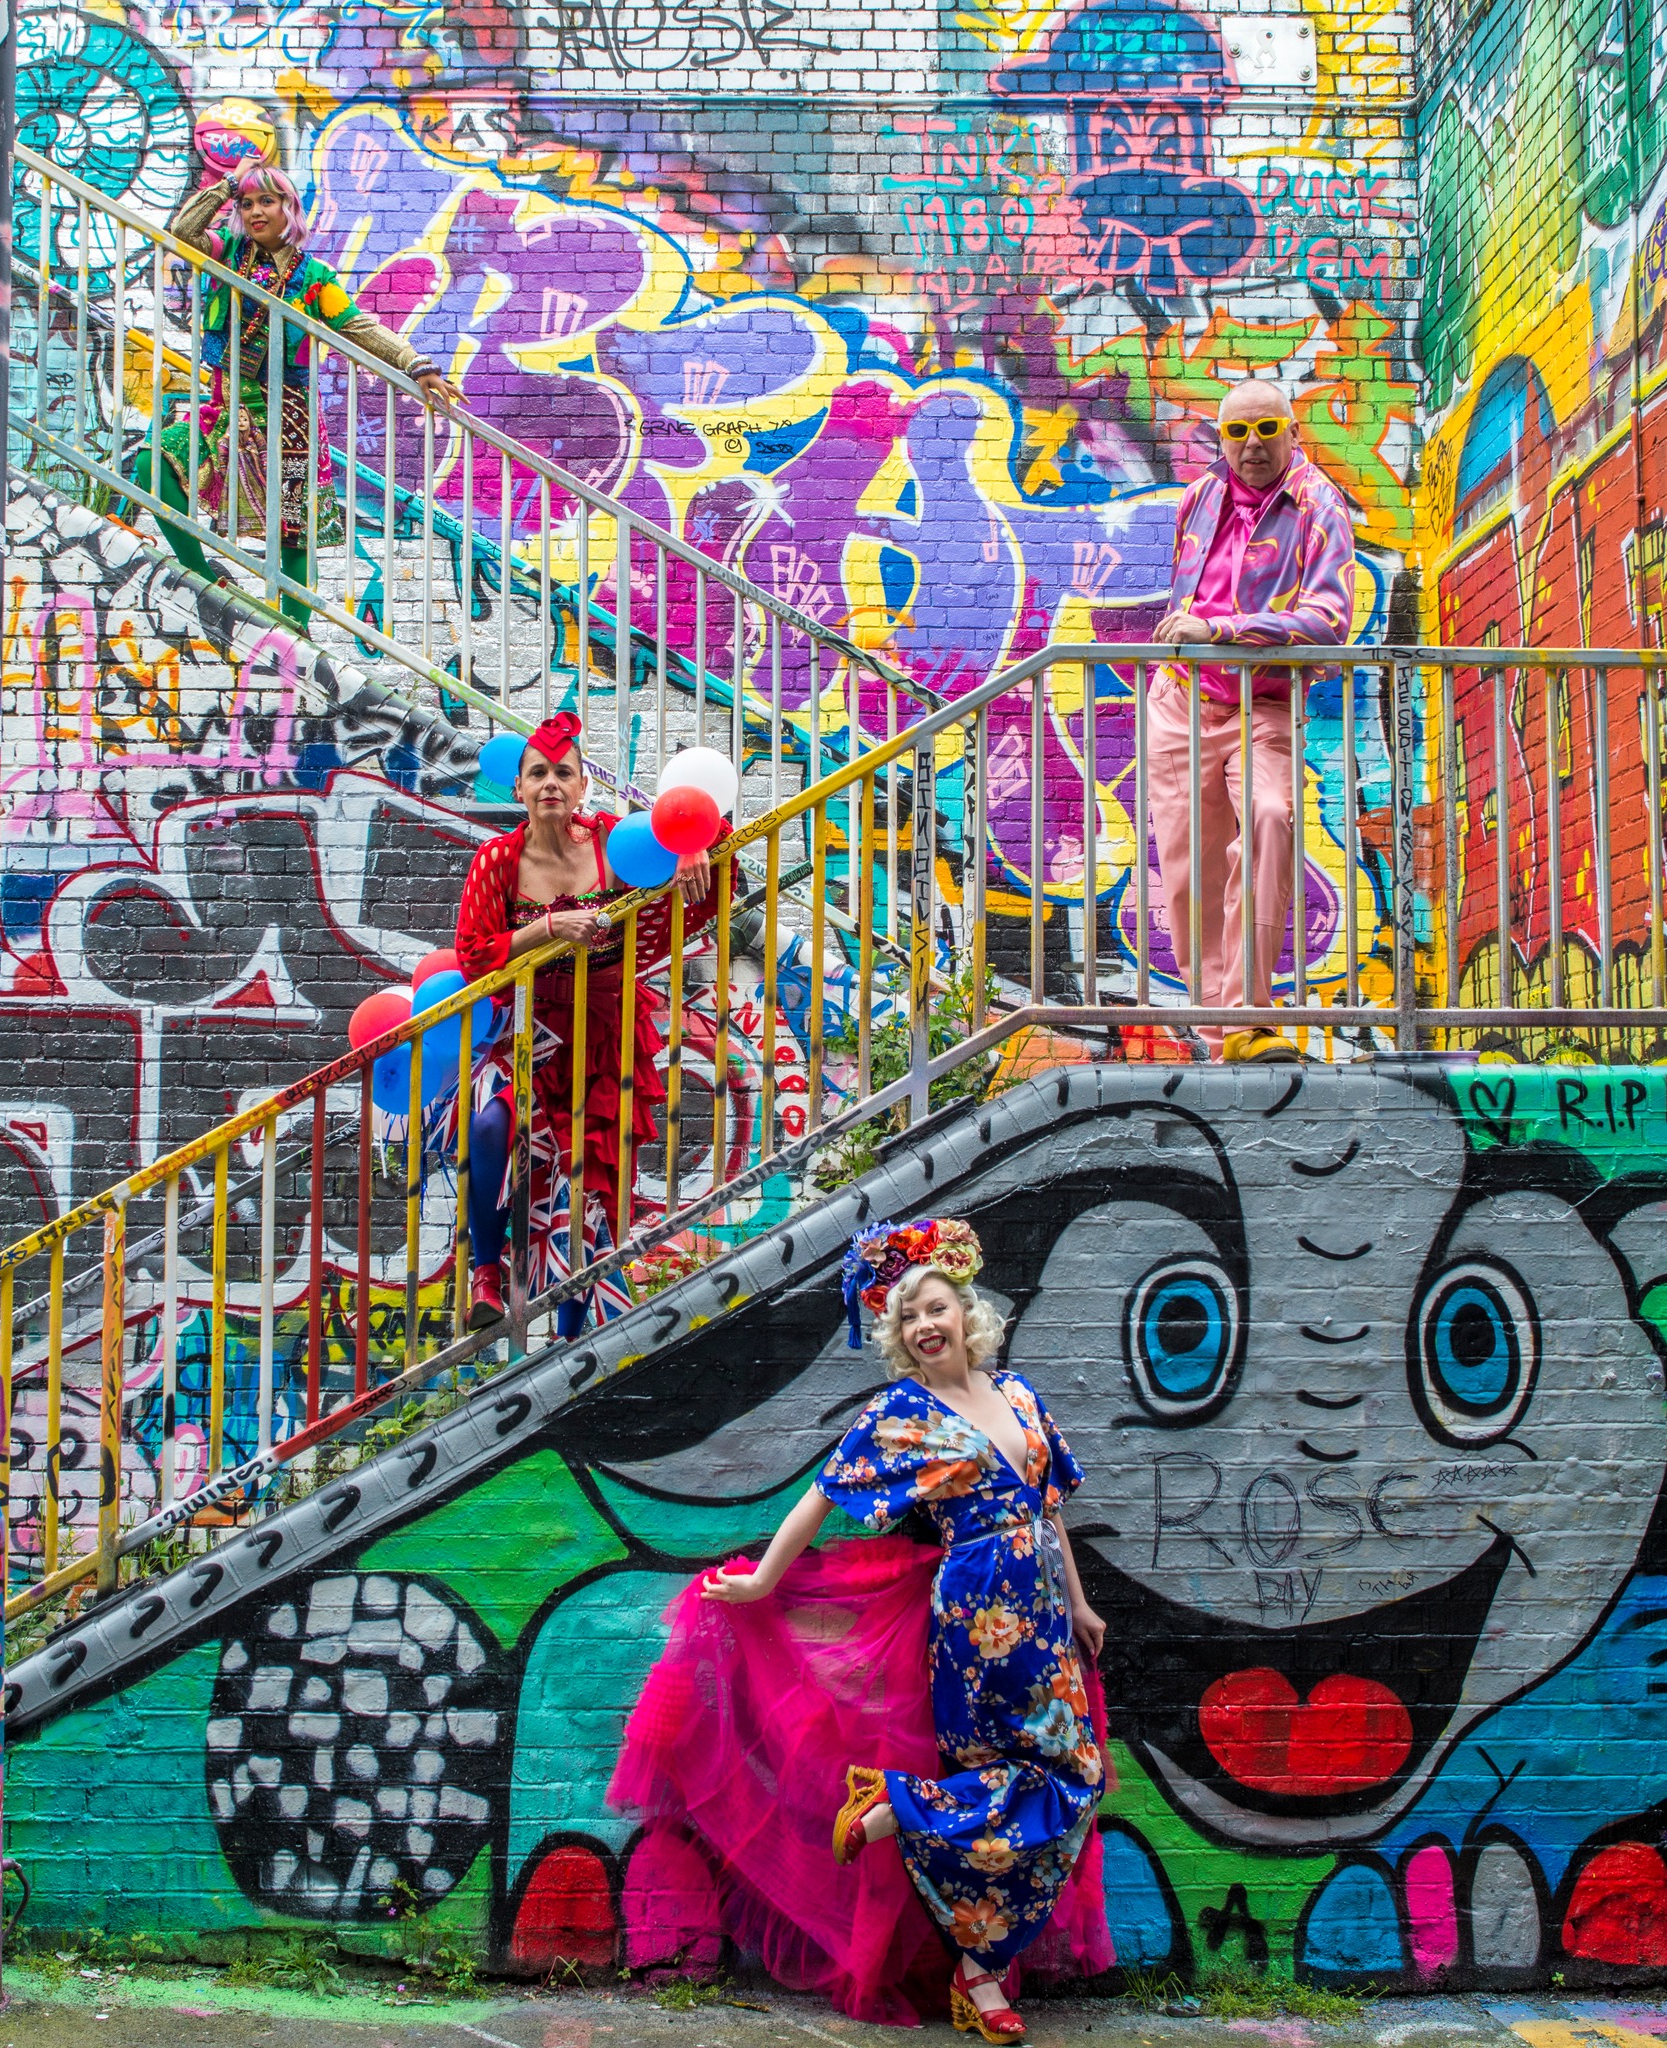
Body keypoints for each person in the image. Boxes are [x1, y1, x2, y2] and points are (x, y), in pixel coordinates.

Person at [610, 1218, 1111, 2040]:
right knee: (1012, 1771)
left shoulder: (1019, 1397)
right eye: (910, 1317)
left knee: (1074, 1780)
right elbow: (825, 1491)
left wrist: (1081, 1603)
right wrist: (768, 1577)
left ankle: (901, 1817)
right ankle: (980, 1981)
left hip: (1046, 1612)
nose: (926, 1325)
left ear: (967, 1313)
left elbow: (1047, 1506)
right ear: (899, 1335)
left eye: (938, 1307)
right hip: (977, 1616)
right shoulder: (902, 1413)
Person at [452, 712, 717, 1333]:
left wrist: (694, 844)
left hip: (606, 1028)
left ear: (581, 787)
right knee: (492, 1127)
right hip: (530, 1029)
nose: (551, 784)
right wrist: (546, 928)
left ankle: (573, 1336)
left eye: (563, 773)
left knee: (586, 1186)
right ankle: (486, 1274)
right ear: (517, 789)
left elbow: (695, 846)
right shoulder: (497, 860)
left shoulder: (611, 842)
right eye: (537, 773)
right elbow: (470, 954)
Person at [130, 164, 462, 627]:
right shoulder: (227, 255)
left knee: (293, 530)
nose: (255, 211)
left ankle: (295, 631)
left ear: (290, 209)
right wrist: (229, 185)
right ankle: (203, 576)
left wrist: (416, 365)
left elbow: (359, 327)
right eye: (247, 204)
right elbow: (185, 231)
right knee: (152, 464)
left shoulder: (316, 278)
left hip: (290, 416)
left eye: (267, 201)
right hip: (228, 407)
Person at [1150, 377, 1357, 1061]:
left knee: (1271, 816)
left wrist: (1228, 629)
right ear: (1221, 439)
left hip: (1262, 705)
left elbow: (1328, 623)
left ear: (1292, 434)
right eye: (1237, 432)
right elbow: (1183, 605)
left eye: (1266, 429)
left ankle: (1246, 1018)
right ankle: (1225, 1036)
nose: (1251, 445)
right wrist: (1194, 634)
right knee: (1187, 879)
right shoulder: (1199, 499)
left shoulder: (1320, 508)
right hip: (1182, 702)